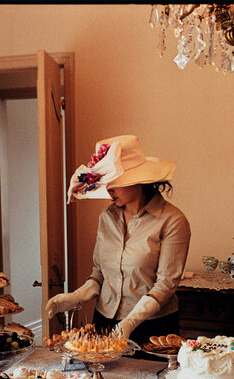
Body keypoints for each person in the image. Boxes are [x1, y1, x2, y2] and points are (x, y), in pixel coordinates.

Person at [45, 135, 191, 345]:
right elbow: (100, 274)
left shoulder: (172, 221)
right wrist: (75, 297)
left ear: (137, 179)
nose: (108, 189)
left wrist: (130, 323)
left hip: (152, 328)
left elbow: (166, 285)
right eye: (104, 183)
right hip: (104, 321)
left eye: (114, 181)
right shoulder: (107, 217)